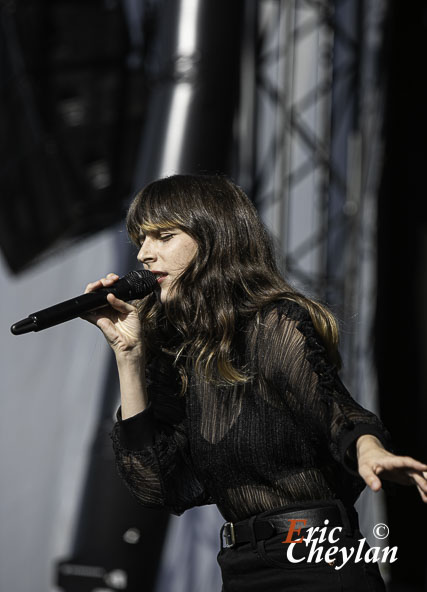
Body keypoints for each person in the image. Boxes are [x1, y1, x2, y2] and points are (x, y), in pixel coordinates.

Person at [83, 174, 427, 591]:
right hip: (242, 568)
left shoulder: (274, 323)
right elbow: (156, 485)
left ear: (214, 238)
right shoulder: (179, 353)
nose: (144, 254)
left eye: (164, 236)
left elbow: (334, 407)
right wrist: (129, 357)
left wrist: (369, 448)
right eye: (142, 239)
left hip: (316, 562)